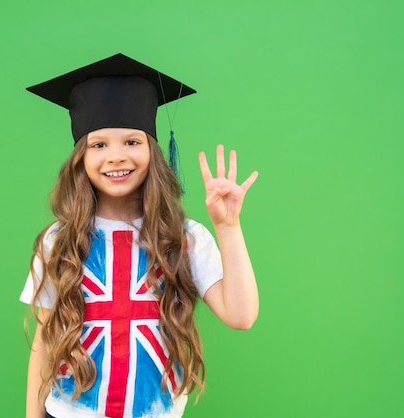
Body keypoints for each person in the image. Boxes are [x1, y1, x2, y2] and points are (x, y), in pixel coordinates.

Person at [19, 53, 259, 418]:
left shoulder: (183, 238)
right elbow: (44, 341)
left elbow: (241, 315)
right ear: (80, 158)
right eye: (99, 145)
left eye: (132, 142)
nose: (116, 156)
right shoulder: (59, 240)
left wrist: (227, 227)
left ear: (153, 151)